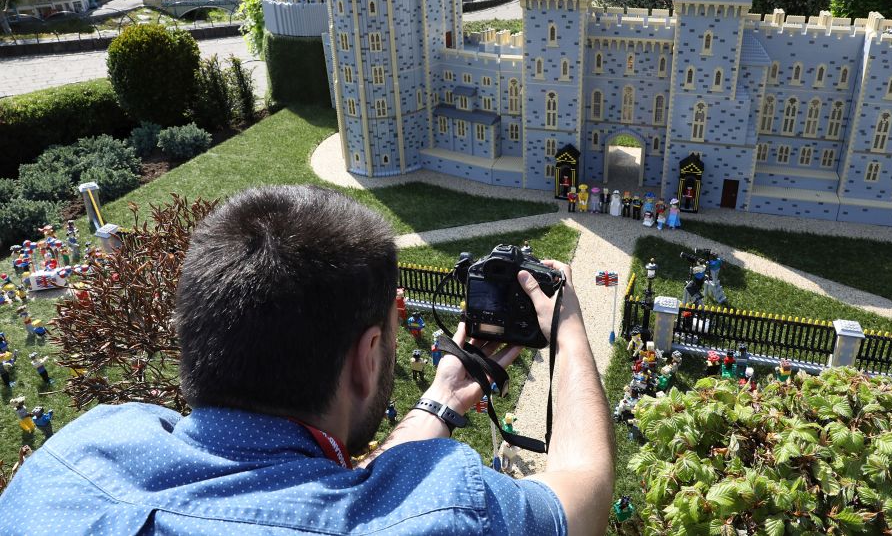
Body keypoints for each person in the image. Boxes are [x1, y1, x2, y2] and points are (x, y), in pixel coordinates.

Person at [0, 185, 613, 535]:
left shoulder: (72, 460)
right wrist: (567, 329)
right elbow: (582, 495)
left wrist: (444, 399)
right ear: (368, 357)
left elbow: (350, 499)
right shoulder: (445, 516)